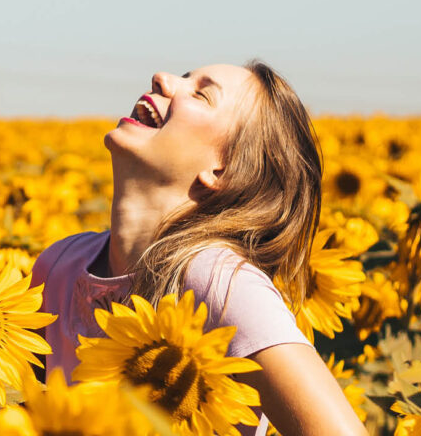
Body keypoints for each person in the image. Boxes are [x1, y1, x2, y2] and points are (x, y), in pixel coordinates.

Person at [31, 62, 365, 435]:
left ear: (223, 171)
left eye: (202, 94)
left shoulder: (222, 285)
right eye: (184, 76)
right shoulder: (59, 266)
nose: (162, 78)